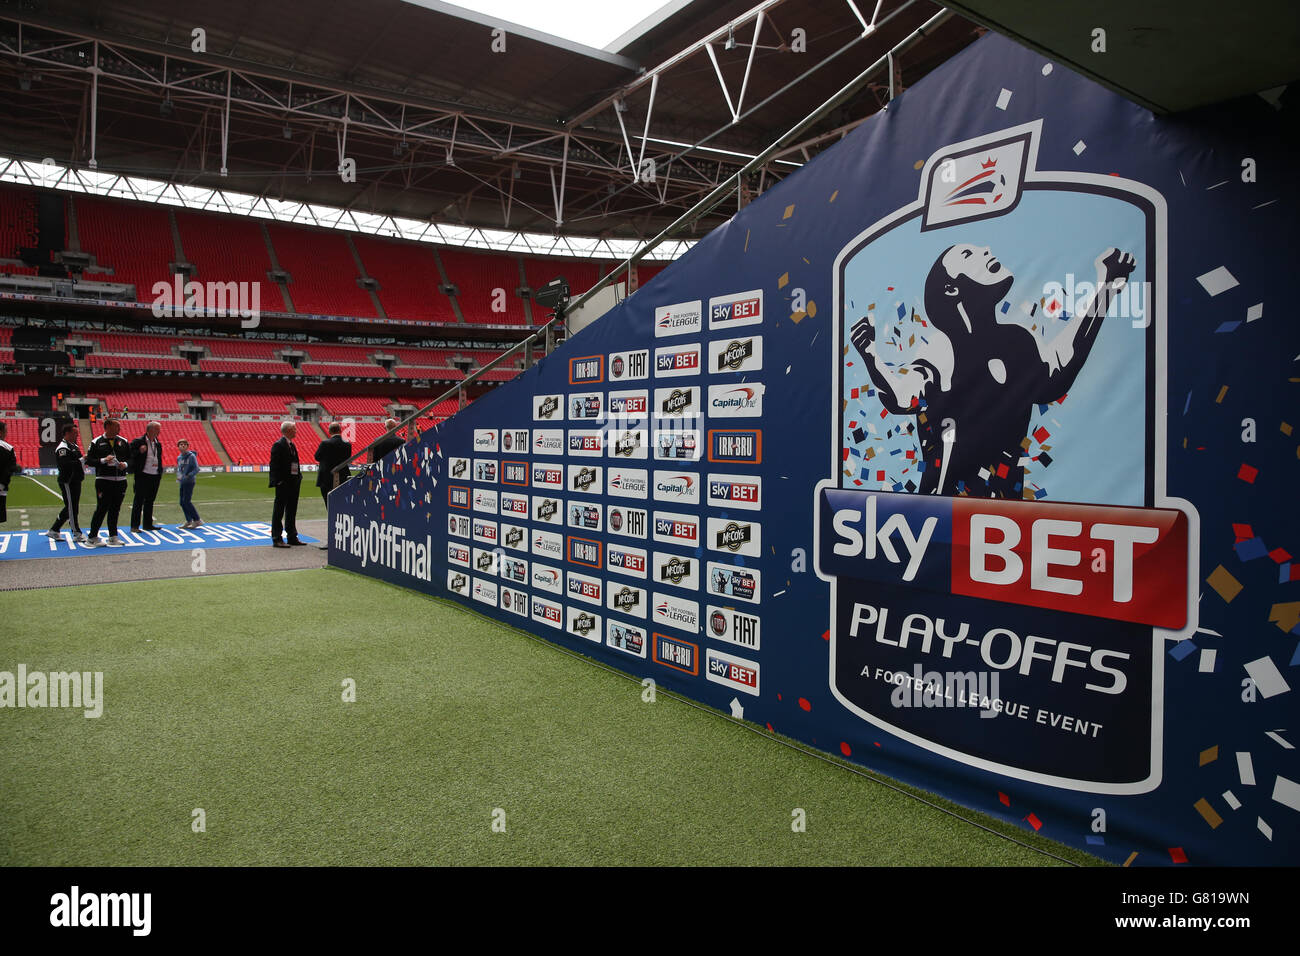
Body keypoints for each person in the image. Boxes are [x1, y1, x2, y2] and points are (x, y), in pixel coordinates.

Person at [850, 244, 1135, 497]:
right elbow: (903, 398)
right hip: (944, 512)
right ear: (952, 288)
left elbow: (1058, 372)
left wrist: (1106, 287)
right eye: (968, 254)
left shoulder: (1018, 340)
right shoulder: (941, 349)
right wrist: (871, 356)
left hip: (1007, 517)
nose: (986, 250)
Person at [85, 418, 131, 546]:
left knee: (115, 510)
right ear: (108, 426)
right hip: (104, 480)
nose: (119, 428)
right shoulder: (96, 442)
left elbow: (131, 459)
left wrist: (125, 464)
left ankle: (113, 536)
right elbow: (89, 460)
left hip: (121, 480)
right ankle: (92, 537)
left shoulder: (124, 441)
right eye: (117, 426)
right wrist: (103, 460)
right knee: (101, 509)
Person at [47, 423, 87, 542]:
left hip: (76, 480)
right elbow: (65, 465)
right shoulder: (63, 448)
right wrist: (81, 460)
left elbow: (78, 461)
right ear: (67, 433)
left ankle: (54, 530)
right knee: (72, 507)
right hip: (68, 481)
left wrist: (84, 461)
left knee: (71, 507)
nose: (77, 435)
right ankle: (76, 533)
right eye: (75, 432)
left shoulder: (73, 445)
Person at [269, 420, 305, 548]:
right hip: (283, 483)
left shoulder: (292, 445)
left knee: (291, 510)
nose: (296, 430)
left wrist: (299, 477)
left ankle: (292, 536)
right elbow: (274, 465)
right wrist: (278, 482)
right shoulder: (278, 445)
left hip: (294, 483)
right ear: (288, 430)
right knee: (279, 511)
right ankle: (277, 538)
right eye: (294, 428)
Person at [128, 420, 166, 532]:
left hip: (155, 475)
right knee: (138, 500)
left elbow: (158, 457)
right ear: (150, 430)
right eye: (157, 429)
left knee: (150, 500)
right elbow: (129, 455)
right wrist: (139, 451)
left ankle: (147, 525)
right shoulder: (138, 441)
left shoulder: (157, 443)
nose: (159, 431)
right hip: (142, 475)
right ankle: (134, 526)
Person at [314, 421, 353, 507]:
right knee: (342, 502)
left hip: (326, 477)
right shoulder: (347, 444)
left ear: (329, 431)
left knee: (329, 503)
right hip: (343, 476)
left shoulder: (325, 444)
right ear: (340, 430)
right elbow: (348, 458)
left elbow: (317, 457)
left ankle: (331, 519)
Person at [176, 439, 202, 529]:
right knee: (182, 502)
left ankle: (197, 520)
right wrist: (179, 476)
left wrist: (188, 475)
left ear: (187, 446)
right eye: (180, 444)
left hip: (189, 481)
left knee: (186, 501)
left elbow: (196, 469)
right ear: (178, 446)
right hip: (182, 481)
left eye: (184, 444)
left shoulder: (191, 456)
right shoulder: (179, 458)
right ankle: (189, 520)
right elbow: (180, 469)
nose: (182, 446)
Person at [0, 420, 18, 524]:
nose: (6, 434)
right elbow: (11, 468)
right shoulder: (8, 448)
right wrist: (2, 484)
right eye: (5, 431)